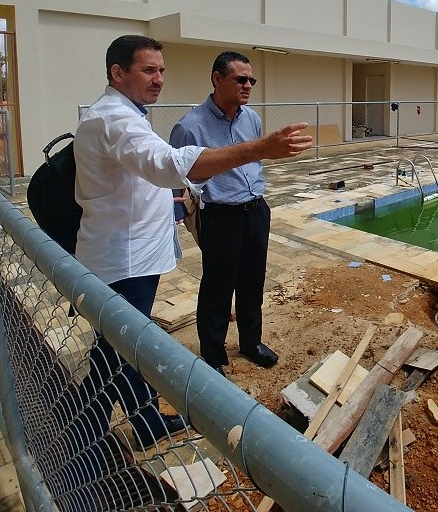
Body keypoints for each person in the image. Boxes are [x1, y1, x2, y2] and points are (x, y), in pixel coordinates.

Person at [73, 35, 311, 450]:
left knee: (124, 342)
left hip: (148, 248)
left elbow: (149, 180)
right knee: (119, 346)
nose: (159, 78)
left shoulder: (128, 114)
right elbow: (170, 167)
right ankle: (86, 429)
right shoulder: (117, 120)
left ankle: (137, 418)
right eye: (149, 70)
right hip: (127, 256)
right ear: (117, 72)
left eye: (161, 70)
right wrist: (262, 148)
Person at [170, 51, 278, 374]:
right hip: (220, 216)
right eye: (240, 79)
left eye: (251, 80)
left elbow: (254, 161)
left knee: (252, 281)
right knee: (218, 287)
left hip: (255, 210)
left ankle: (251, 342)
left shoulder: (252, 119)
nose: (248, 86)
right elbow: (176, 178)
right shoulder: (190, 127)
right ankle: (213, 355)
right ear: (217, 79)